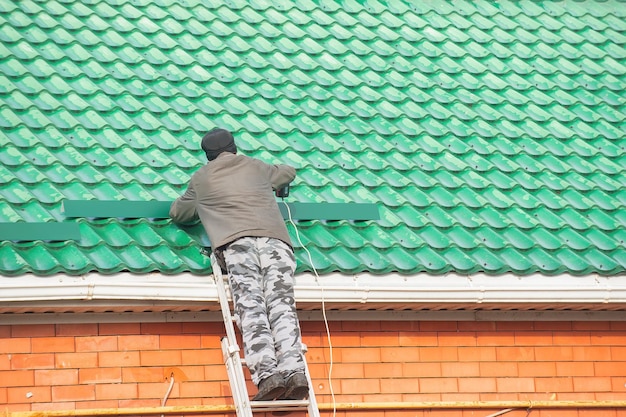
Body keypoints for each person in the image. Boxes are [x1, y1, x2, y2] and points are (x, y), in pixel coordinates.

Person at [169, 128, 309, 402]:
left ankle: (269, 376)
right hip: (276, 243)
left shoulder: (201, 179)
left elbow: (178, 213)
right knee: (281, 305)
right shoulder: (255, 166)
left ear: (207, 156)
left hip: (237, 246)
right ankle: (295, 373)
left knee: (252, 306)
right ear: (233, 148)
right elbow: (288, 171)